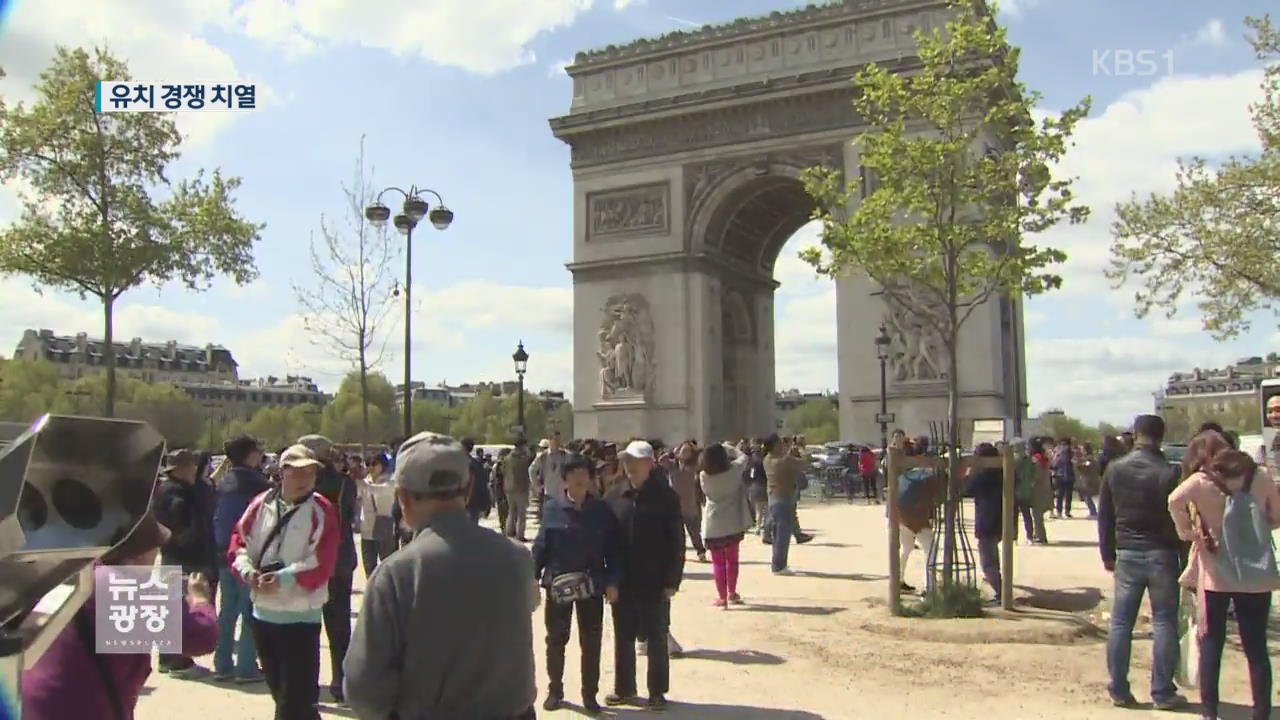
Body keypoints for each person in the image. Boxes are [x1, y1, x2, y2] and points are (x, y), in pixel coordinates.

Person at [343, 432, 538, 719]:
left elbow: (364, 690)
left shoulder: (396, 575)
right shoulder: (517, 557)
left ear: (402, 497)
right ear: (469, 488)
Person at [22, 511, 219, 720]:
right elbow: (202, 638)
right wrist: (199, 601)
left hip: (35, 705)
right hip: (84, 709)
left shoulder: (77, 570)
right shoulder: (125, 589)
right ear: (140, 553)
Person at [228, 443, 341, 720]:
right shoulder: (260, 504)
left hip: (301, 617)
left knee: (296, 703)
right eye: (297, 472)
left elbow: (322, 560)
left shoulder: (322, 510)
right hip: (263, 615)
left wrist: (283, 578)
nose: (304, 480)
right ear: (281, 473)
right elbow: (239, 542)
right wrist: (247, 572)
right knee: (282, 695)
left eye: (310, 474)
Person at [1168, 448, 1280, 720]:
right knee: (1256, 649)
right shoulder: (1262, 477)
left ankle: (1210, 711)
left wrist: (1188, 531)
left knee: (1211, 643)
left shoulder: (1201, 481)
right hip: (1257, 576)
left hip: (1215, 574)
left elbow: (1173, 500)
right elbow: (1276, 516)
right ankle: (1261, 712)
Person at [1097, 415, 1187, 710]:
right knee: (1164, 621)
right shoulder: (1169, 471)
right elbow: (1180, 519)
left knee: (1121, 622)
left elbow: (1106, 515)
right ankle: (1162, 691)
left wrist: (1107, 553)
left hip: (1127, 551)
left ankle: (1119, 689)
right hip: (1162, 552)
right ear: (1161, 437)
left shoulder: (1114, 469)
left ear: (1135, 435)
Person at [533, 455, 624, 715]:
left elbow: (615, 550)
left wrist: (613, 581)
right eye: (574, 474)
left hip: (592, 585)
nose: (581, 478)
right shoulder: (552, 508)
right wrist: (532, 576)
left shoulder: (601, 510)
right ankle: (555, 690)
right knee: (556, 640)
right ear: (565, 478)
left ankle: (589, 695)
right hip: (558, 584)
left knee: (592, 641)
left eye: (585, 473)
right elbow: (542, 545)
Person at [605, 440, 685, 711]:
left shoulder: (666, 497)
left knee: (656, 638)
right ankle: (625, 688)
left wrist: (673, 580)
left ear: (650, 463)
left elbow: (676, 541)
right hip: (623, 580)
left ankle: (656, 692)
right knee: (624, 638)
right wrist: (610, 579)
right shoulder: (615, 495)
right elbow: (608, 541)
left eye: (635, 461)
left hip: (655, 580)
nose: (629, 466)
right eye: (626, 460)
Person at [298, 433, 358, 705]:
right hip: (340, 557)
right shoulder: (345, 483)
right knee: (339, 626)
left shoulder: (301, 486)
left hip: (308, 561)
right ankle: (341, 681)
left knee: (306, 626)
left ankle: (306, 683)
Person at [212, 435, 271, 684]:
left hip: (222, 554)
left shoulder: (222, 482)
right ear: (250, 454)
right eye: (258, 449)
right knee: (249, 612)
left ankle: (223, 663)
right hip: (248, 554)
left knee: (227, 611)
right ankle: (246, 667)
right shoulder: (258, 484)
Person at [154, 448, 216, 677]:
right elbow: (181, 523)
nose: (194, 470)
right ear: (181, 469)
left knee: (173, 607)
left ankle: (170, 658)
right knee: (179, 608)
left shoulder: (169, 489)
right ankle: (176, 661)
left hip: (175, 557)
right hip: (183, 558)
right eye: (191, 466)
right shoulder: (177, 493)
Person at [699, 442, 753, 607]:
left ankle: (721, 597)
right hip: (732, 521)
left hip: (713, 522)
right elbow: (744, 457)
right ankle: (732, 592)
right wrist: (730, 448)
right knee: (732, 560)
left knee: (718, 563)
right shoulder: (734, 470)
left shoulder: (704, 476)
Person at [964, 442, 1004, 605]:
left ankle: (1000, 593)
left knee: (988, 560)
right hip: (1000, 519)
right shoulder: (1002, 472)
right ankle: (1000, 589)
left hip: (986, 520)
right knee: (993, 556)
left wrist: (969, 473)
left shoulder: (983, 475)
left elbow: (966, 490)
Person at [762, 434, 806, 575]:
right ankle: (779, 566)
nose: (782, 445)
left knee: (778, 535)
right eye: (780, 443)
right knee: (782, 536)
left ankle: (778, 564)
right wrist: (800, 448)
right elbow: (804, 463)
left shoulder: (767, 459)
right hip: (783, 500)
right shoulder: (784, 460)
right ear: (775, 445)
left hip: (773, 500)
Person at [358, 453, 396, 578]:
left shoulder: (390, 480)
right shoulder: (364, 481)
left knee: (387, 564)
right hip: (366, 529)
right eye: (368, 464)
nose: (371, 467)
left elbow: (381, 490)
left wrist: (365, 486)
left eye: (374, 464)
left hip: (384, 527)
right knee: (369, 567)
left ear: (383, 465)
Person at [669, 442, 707, 563]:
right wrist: (674, 453)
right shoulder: (672, 465)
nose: (685, 453)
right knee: (677, 534)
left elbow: (703, 455)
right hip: (674, 506)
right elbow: (660, 459)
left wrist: (694, 449)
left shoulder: (694, 466)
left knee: (694, 532)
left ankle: (701, 552)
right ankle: (678, 555)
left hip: (689, 505)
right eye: (683, 451)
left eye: (688, 452)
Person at [531, 432, 570, 517]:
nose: (557, 442)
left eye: (558, 440)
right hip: (548, 493)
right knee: (549, 518)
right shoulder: (543, 456)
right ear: (550, 441)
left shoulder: (566, 455)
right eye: (554, 440)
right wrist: (536, 485)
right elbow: (531, 470)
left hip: (563, 494)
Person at [504, 439, 534, 541]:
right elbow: (525, 473)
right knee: (521, 514)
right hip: (520, 488)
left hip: (509, 488)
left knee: (511, 512)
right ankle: (520, 535)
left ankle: (509, 532)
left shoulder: (507, 458)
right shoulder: (522, 459)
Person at [461, 439, 493, 523]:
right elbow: (483, 485)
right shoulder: (476, 464)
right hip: (473, 502)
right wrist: (486, 502)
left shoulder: (454, 463)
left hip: (458, 502)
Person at [1051, 437, 1076, 518]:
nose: (1063, 446)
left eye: (1065, 444)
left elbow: (1075, 463)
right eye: (1062, 444)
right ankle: (1059, 511)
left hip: (1069, 476)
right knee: (1060, 495)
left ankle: (1067, 511)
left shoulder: (1071, 454)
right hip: (1060, 476)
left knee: (1069, 495)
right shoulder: (1058, 454)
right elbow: (1053, 464)